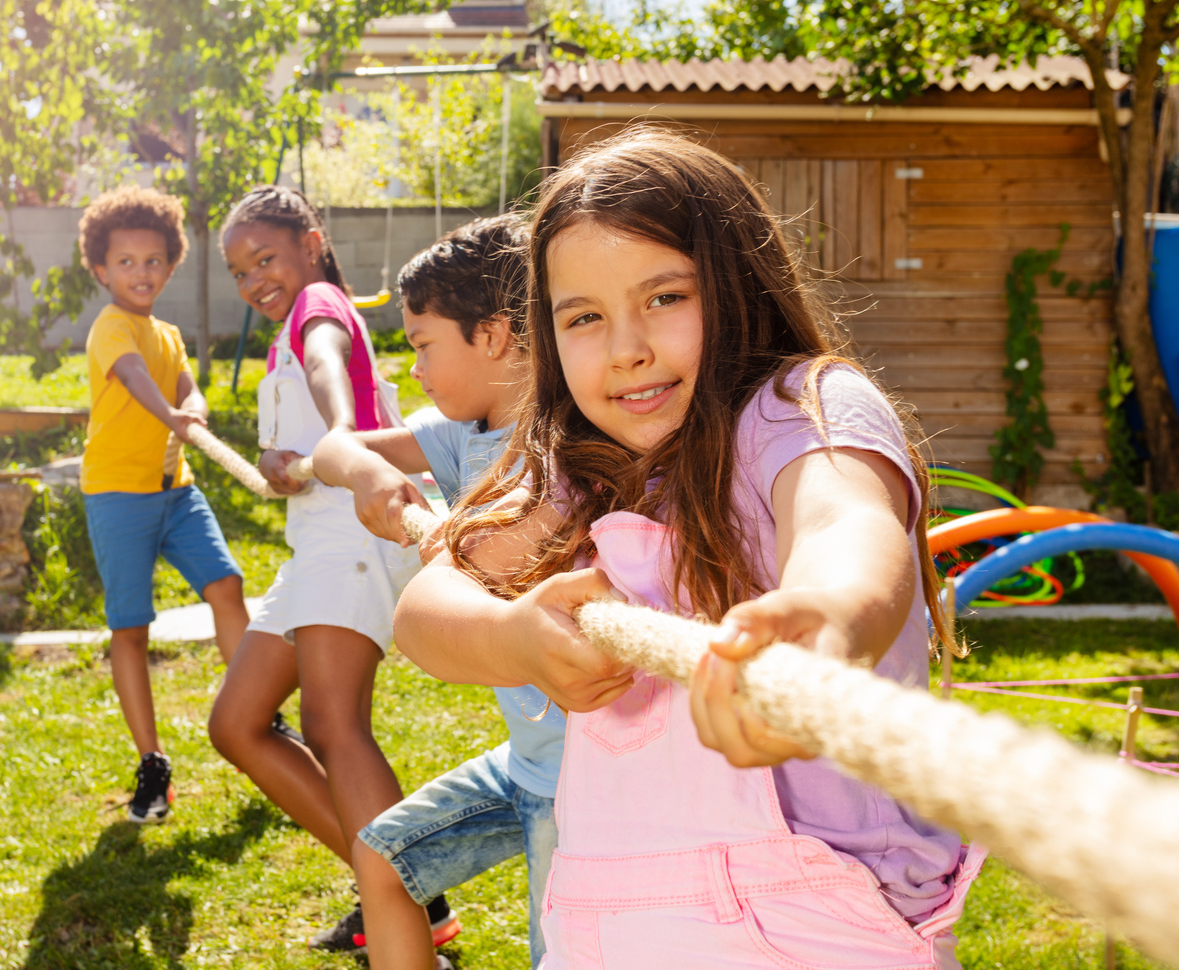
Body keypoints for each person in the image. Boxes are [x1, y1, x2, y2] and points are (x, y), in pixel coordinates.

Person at [394, 129, 984, 969]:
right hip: (614, 918)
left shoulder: (800, 409)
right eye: (585, 317)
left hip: (821, 926)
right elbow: (426, 608)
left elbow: (845, 523)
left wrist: (820, 624)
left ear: (739, 287)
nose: (627, 345)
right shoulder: (583, 468)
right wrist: (511, 634)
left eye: (666, 297)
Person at [309, 214, 562, 969]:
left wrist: (443, 530)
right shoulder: (460, 434)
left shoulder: (570, 446)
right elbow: (333, 448)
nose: (412, 368)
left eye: (423, 345)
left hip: (581, 781)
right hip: (527, 760)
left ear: (492, 335)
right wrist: (367, 472)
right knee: (384, 861)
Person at [205, 186, 445, 954]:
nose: (254, 281)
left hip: (355, 532)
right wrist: (289, 464)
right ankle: (409, 892)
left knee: (332, 726)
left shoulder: (318, 304)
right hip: (316, 541)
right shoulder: (285, 330)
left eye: (264, 257)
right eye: (240, 272)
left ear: (311, 242)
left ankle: (403, 904)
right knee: (237, 724)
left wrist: (340, 433)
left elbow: (326, 362)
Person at [77, 185, 251, 824]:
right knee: (131, 625)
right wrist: (175, 414)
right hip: (117, 493)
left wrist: (196, 408)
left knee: (226, 584)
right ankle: (152, 762)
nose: (140, 273)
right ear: (101, 269)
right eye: (125, 263)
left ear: (170, 265)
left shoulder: (169, 334)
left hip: (174, 491)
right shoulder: (110, 328)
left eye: (152, 261)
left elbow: (184, 384)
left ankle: (258, 710)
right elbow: (137, 381)